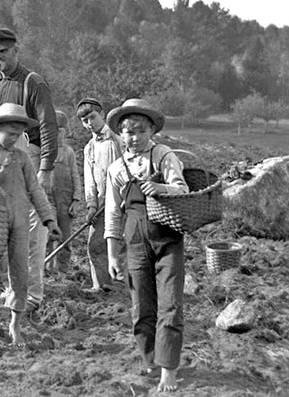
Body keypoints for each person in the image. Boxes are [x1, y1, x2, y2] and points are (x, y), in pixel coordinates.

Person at [103, 98, 188, 393]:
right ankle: (149, 359)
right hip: (135, 241)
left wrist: (161, 188)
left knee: (171, 305)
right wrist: (113, 254)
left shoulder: (163, 155)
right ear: (120, 135)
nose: (134, 137)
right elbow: (113, 213)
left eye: (140, 130)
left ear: (151, 130)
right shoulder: (116, 168)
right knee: (141, 306)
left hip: (167, 239)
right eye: (127, 132)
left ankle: (168, 370)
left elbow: (183, 189)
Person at [0, 103, 61, 347]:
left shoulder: (22, 158)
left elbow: (35, 190)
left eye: (18, 135)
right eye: (11, 134)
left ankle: (15, 324)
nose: (14, 138)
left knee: (19, 270)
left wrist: (49, 219)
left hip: (18, 221)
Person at [0, 27, 58, 311]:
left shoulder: (32, 82)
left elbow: (48, 126)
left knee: (32, 233)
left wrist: (46, 168)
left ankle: (32, 294)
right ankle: (12, 289)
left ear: (15, 51)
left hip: (28, 160)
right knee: (3, 230)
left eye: (3, 52)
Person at [76, 96, 124, 292]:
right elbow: (90, 181)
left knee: (125, 244)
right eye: (84, 121)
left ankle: (127, 285)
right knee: (95, 245)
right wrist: (91, 206)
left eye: (93, 117)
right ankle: (102, 285)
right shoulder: (89, 148)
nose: (89, 124)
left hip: (123, 201)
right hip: (101, 204)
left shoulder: (118, 139)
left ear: (102, 114)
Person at [45, 109, 84, 274]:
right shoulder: (44, 152)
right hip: (48, 198)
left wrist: (76, 200)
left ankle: (62, 270)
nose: (56, 135)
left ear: (65, 132)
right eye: (52, 131)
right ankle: (47, 268)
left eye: (59, 131)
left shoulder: (68, 152)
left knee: (65, 236)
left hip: (66, 199)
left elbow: (75, 176)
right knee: (48, 234)